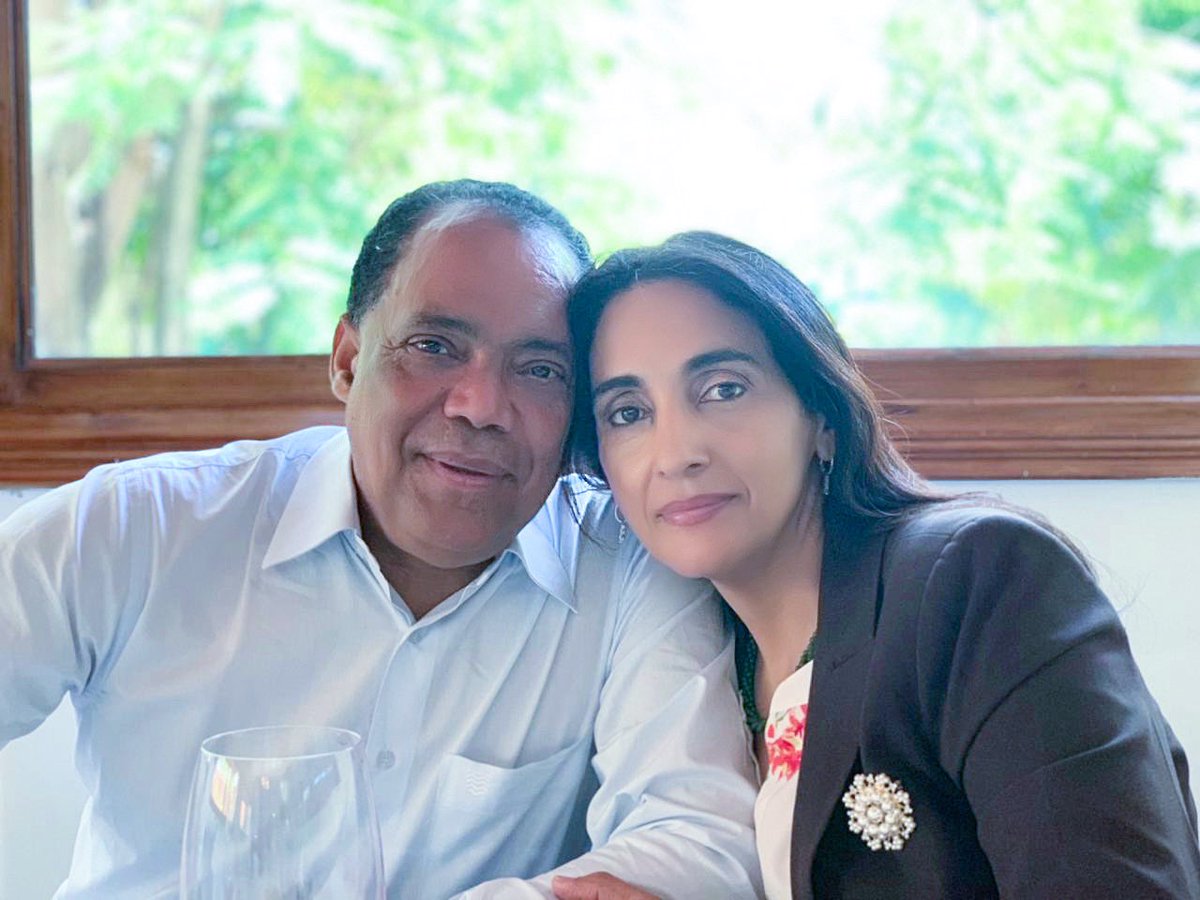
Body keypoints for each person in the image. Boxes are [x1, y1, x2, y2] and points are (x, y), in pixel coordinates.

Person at [0, 182, 762, 899]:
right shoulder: (132, 527)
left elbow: (699, 839)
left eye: (539, 369)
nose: (480, 406)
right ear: (347, 360)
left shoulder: (628, 565)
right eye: (434, 346)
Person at [560, 230, 1200, 899]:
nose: (675, 454)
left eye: (723, 389)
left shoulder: (979, 580)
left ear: (821, 416)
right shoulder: (678, 658)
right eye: (627, 413)